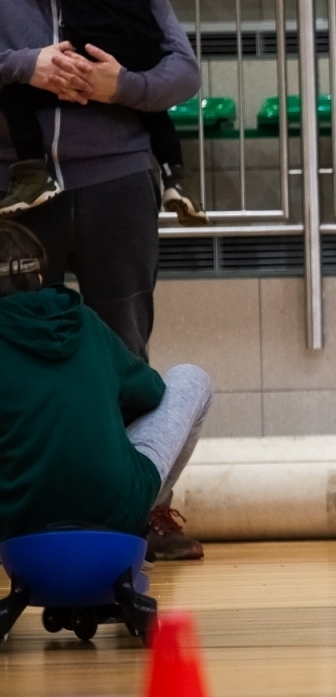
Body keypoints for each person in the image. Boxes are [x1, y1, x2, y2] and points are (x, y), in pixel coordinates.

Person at [0, 0, 201, 363]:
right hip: (15, 192)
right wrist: (25, 67)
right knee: (19, 366)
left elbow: (184, 72)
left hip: (118, 182)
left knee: (124, 356)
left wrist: (123, 86)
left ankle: (123, 451)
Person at [0, 0, 207, 225]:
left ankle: (32, 172)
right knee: (155, 113)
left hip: (88, 57)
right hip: (137, 57)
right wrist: (126, 84)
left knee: (16, 95)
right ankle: (176, 175)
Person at [0, 221, 212, 558]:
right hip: (118, 512)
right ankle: (146, 520)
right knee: (191, 378)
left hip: (15, 528)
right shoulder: (81, 319)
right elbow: (152, 392)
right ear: (40, 277)